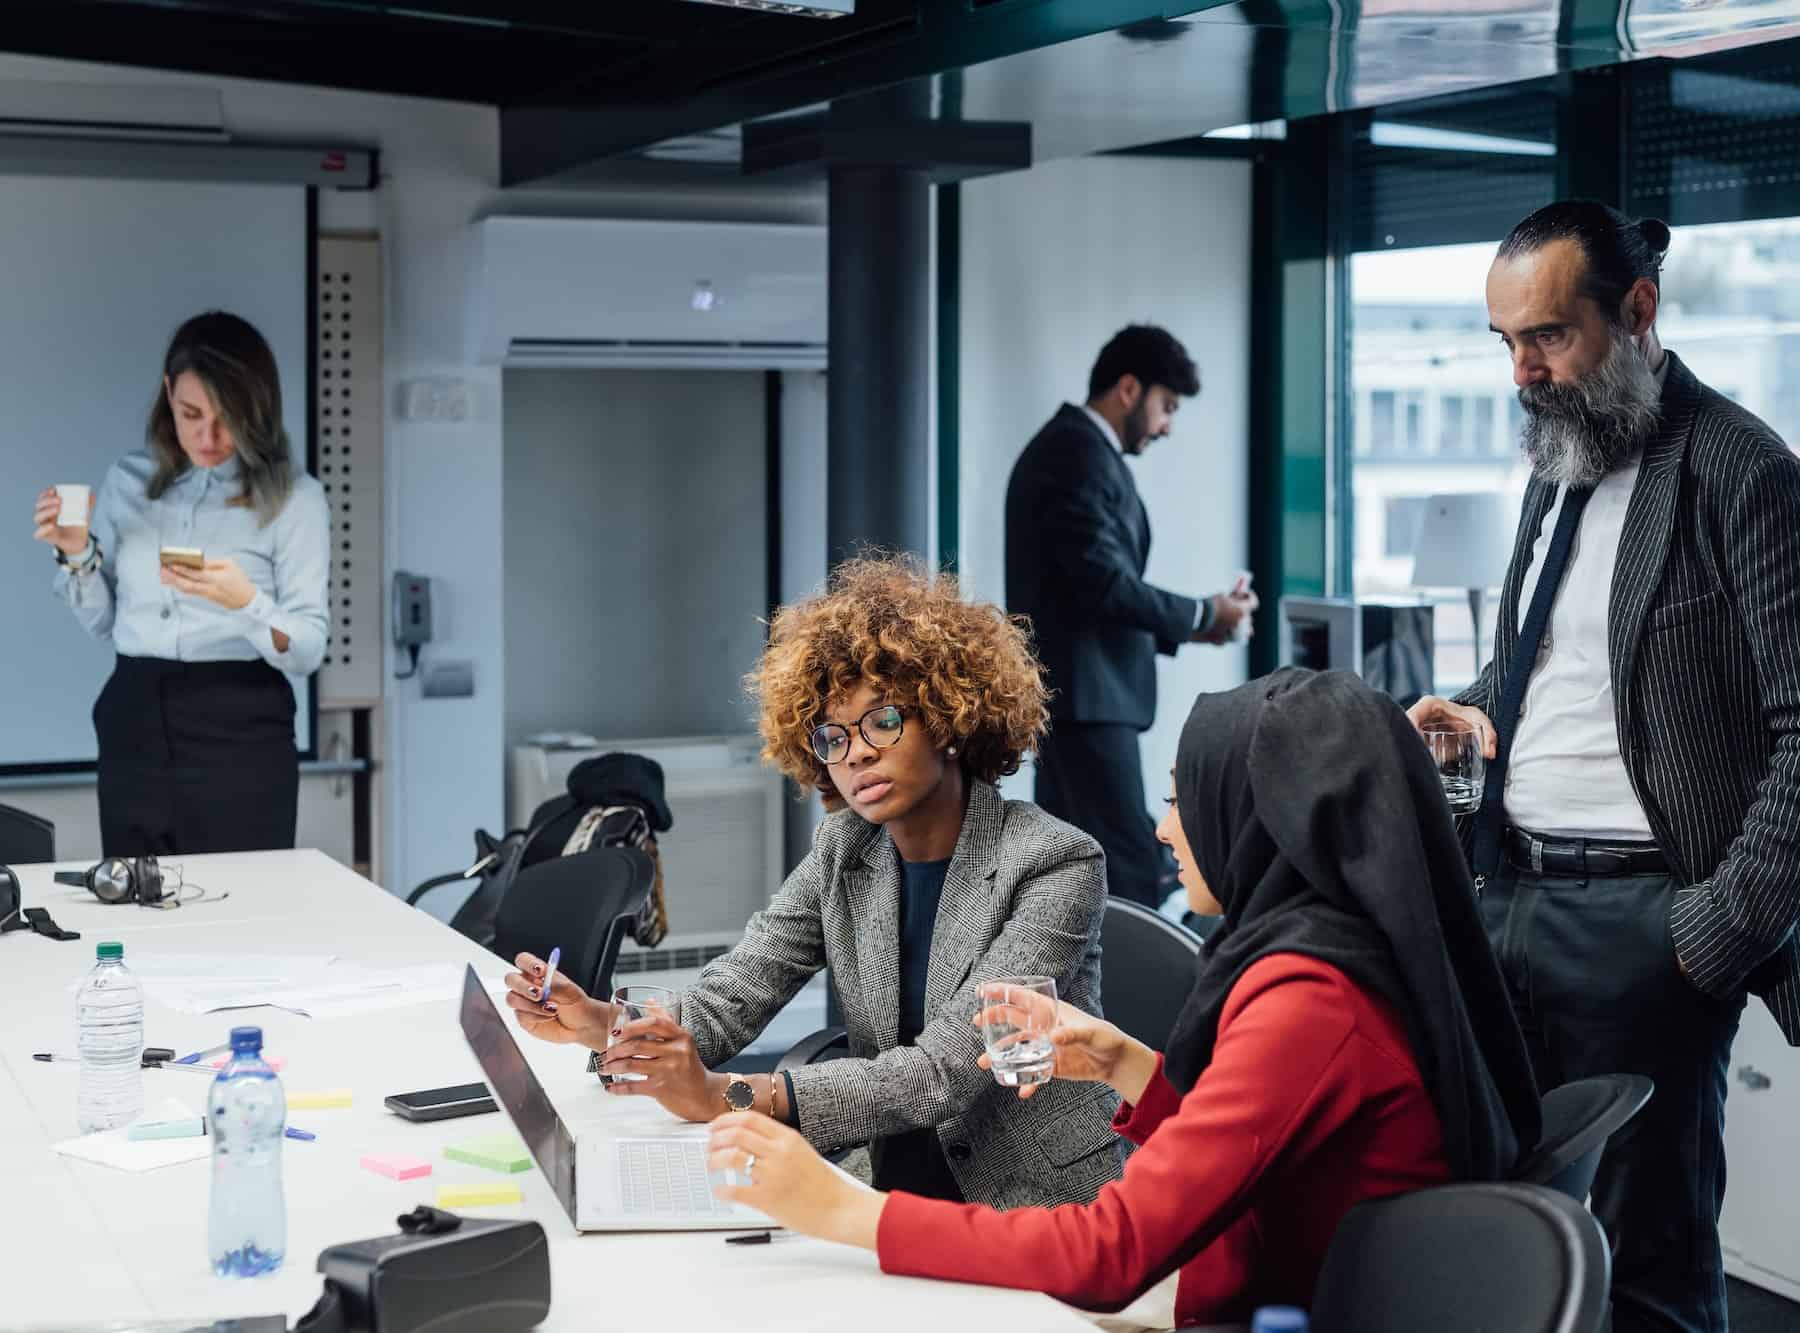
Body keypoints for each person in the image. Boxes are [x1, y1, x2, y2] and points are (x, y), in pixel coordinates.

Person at [704, 669, 1542, 1328]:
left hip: (1271, 1307)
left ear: (1256, 816)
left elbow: (1112, 1251)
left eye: (1185, 796)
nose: (1166, 828)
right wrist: (1124, 1060)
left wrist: (842, 1209)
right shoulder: (1328, 950)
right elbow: (1266, 1143)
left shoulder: (1306, 1000)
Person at [1407, 201, 1800, 1332]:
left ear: (1635, 312)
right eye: (1505, 344)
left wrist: (1709, 933)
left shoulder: (1743, 473)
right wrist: (1472, 713)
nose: (1523, 370)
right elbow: (1553, 677)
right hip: (1506, 900)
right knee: (1498, 1232)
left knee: (1645, 1270)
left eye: (1547, 336)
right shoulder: (1560, 457)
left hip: (1644, 923)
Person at [504, 556, 1126, 1207]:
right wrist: (604, 1023)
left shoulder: (1054, 861)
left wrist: (726, 1094)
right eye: (833, 735)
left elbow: (940, 1075)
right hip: (888, 1182)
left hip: (1034, 1202)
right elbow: (736, 991)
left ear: (947, 717)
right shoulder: (846, 846)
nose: (856, 752)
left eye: (884, 721)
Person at [32, 311, 330, 856]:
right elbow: (103, 622)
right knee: (135, 902)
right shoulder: (128, 482)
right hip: (135, 714)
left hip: (240, 724)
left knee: (242, 912)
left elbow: (309, 648)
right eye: (191, 413)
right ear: (168, 394)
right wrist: (77, 553)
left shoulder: (296, 498)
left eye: (227, 418)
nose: (208, 436)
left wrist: (247, 603)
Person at [1005, 325, 1258, 909]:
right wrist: (1202, 611)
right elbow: (1103, 585)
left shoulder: (1077, 451)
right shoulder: (1073, 454)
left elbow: (1092, 591)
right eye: (1166, 406)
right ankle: (1135, 1000)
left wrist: (1204, 622)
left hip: (1082, 704)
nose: (1168, 424)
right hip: (1086, 707)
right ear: (1127, 388)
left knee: (1081, 872)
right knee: (1128, 871)